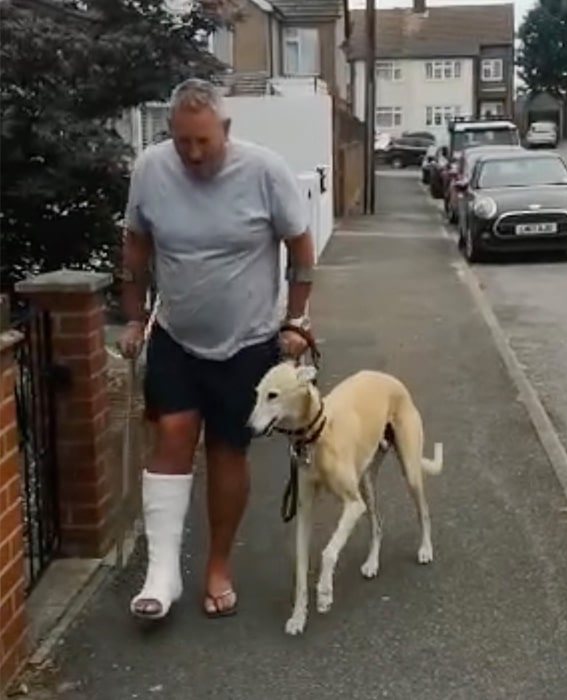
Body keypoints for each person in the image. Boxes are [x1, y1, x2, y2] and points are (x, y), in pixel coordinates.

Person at [117, 78, 317, 620]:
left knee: (228, 451)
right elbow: (135, 246)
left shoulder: (264, 172)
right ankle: (161, 575)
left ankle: (218, 565)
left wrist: (297, 321)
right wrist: (134, 316)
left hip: (249, 341)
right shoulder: (151, 169)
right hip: (176, 334)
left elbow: (300, 246)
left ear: (225, 129)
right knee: (175, 435)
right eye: (182, 141)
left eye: (203, 141)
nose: (193, 153)